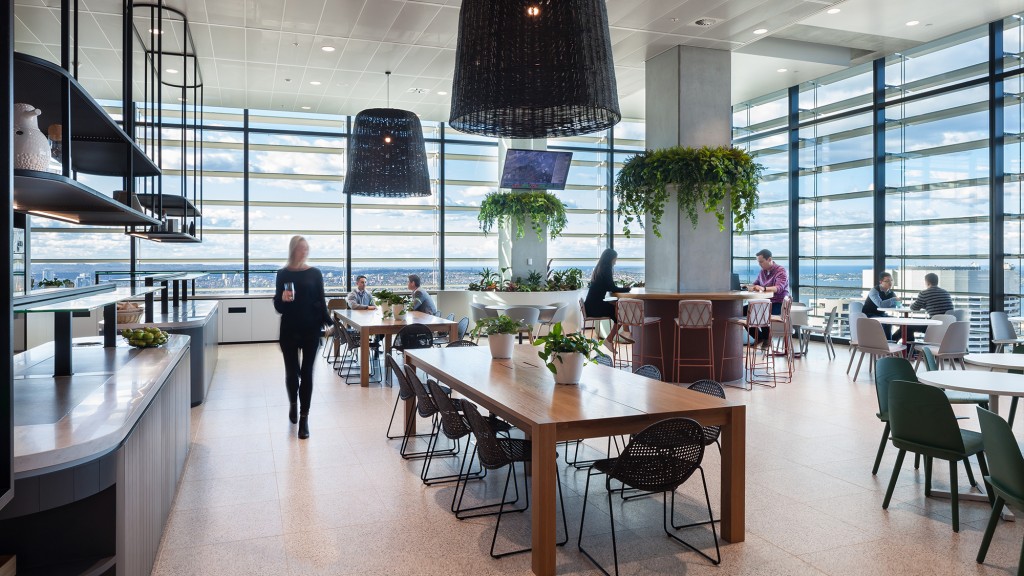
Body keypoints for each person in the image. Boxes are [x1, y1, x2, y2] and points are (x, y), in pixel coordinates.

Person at [273, 235, 331, 440]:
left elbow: (321, 300)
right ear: (293, 250)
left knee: (307, 373)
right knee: (291, 373)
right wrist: (281, 298)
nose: (304, 252)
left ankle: (304, 418)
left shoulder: (315, 273)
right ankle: (293, 404)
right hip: (289, 329)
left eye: (306, 249)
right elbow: (278, 308)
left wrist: (329, 323)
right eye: (301, 249)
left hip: (311, 330)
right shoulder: (282, 274)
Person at [584, 248, 631, 347]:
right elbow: (612, 288)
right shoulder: (606, 269)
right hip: (595, 308)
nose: (615, 262)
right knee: (620, 310)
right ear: (611, 258)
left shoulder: (600, 268)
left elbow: (609, 288)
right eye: (615, 259)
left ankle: (625, 332)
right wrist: (627, 289)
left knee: (619, 306)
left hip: (591, 306)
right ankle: (610, 339)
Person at [747, 249, 789, 346]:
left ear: (769, 259)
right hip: (765, 303)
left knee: (761, 311)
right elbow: (755, 283)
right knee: (742, 312)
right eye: (758, 262)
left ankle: (766, 339)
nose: (759, 264)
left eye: (761, 262)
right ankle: (760, 337)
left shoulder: (781, 271)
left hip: (779, 304)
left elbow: (779, 288)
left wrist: (763, 288)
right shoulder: (763, 272)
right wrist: (749, 286)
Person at [906, 272, 953, 342]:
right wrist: (927, 305)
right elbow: (937, 305)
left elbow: (914, 307)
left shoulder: (924, 293)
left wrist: (912, 305)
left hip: (934, 325)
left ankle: (908, 351)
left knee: (907, 327)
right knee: (905, 327)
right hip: (947, 326)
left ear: (927, 282)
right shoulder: (946, 292)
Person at [863, 272, 900, 340]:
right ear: (881, 282)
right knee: (886, 323)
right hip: (869, 315)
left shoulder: (891, 293)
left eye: (891, 280)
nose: (890, 283)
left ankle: (891, 342)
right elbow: (880, 305)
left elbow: (897, 306)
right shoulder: (874, 291)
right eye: (887, 281)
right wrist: (894, 300)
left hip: (881, 314)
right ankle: (886, 344)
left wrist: (898, 303)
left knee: (902, 325)